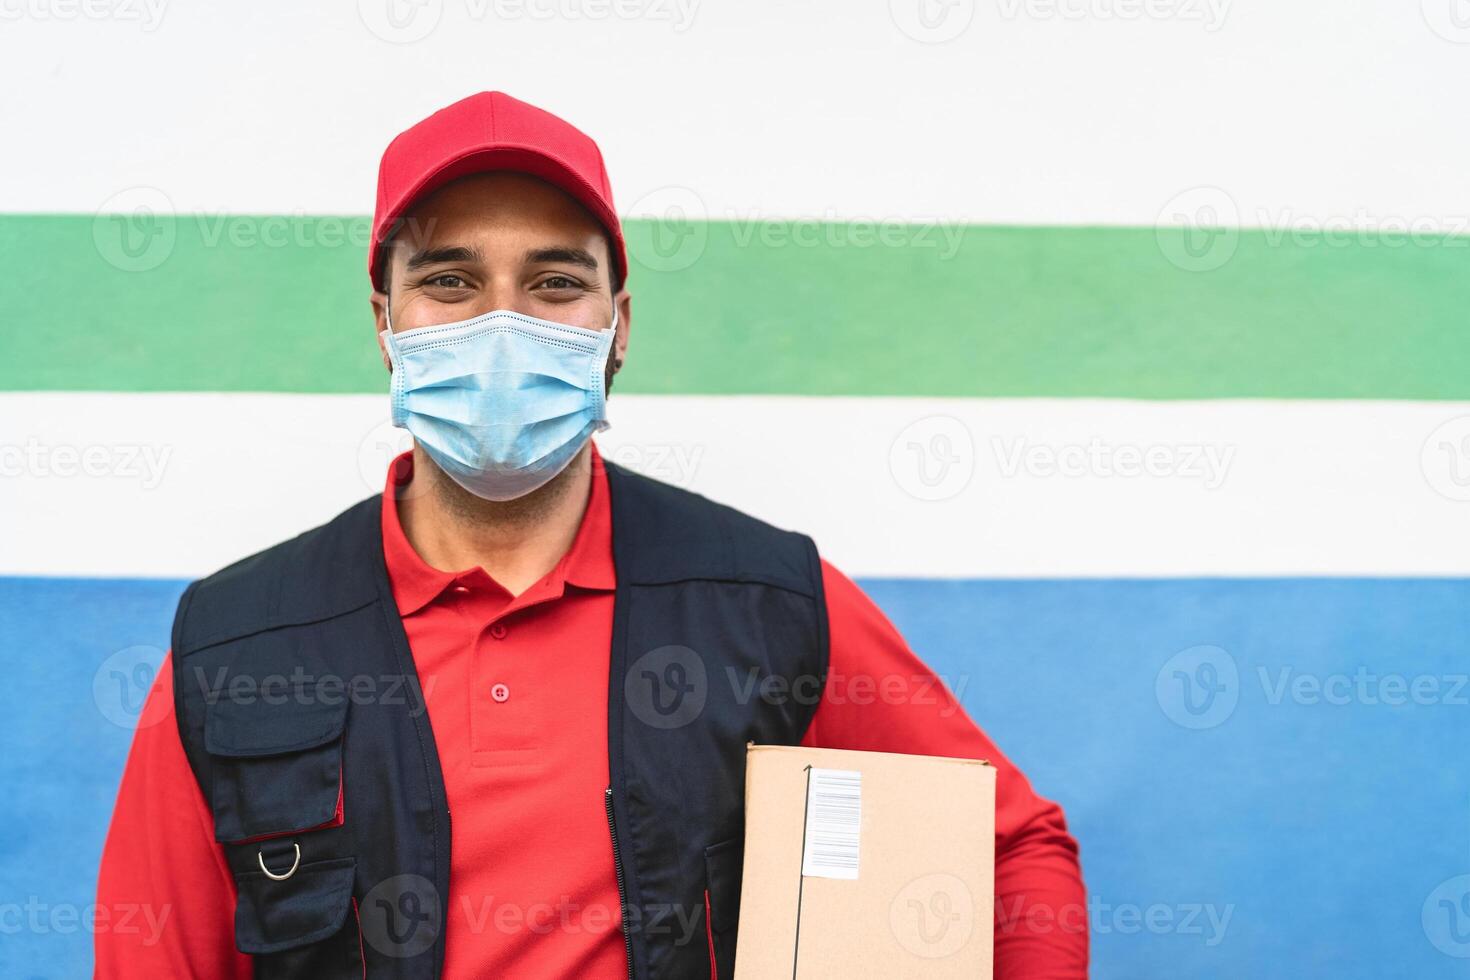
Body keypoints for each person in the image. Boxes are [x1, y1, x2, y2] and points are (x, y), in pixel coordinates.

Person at [95, 91, 1087, 978]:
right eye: (448, 280)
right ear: (385, 322)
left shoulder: (767, 601)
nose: (502, 323)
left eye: (555, 283)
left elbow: (1010, 853)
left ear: (618, 325)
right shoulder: (236, 644)